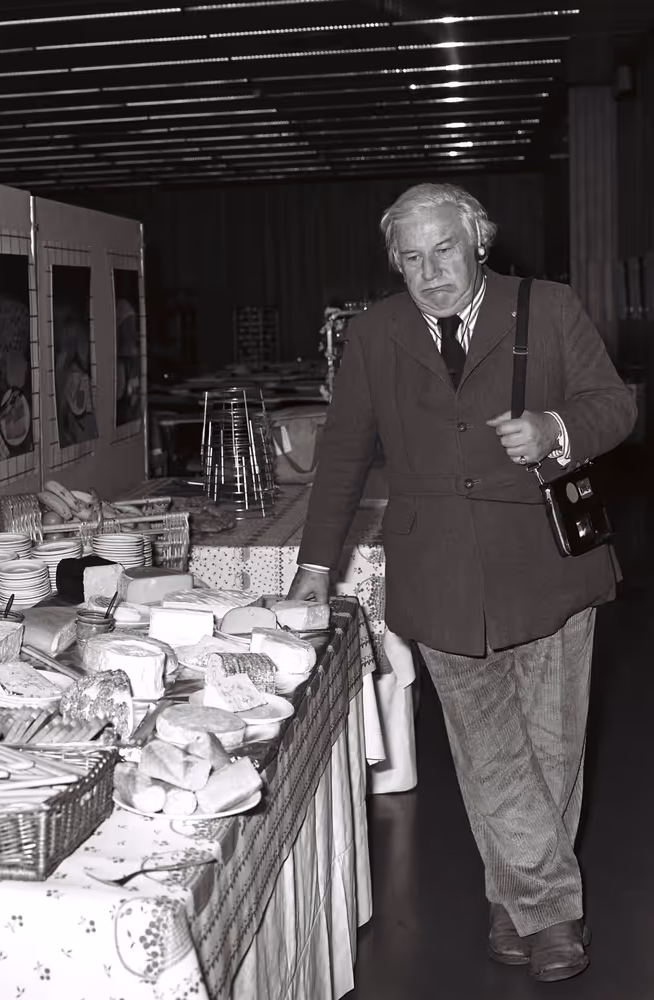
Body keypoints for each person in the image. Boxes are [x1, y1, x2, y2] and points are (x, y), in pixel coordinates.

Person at [288, 182, 637, 983]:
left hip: (548, 565)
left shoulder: (547, 308)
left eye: (444, 250)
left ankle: (509, 901)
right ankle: (551, 913)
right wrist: (315, 565)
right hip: (437, 569)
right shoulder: (374, 334)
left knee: (550, 750)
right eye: (411, 258)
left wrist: (557, 428)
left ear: (478, 241)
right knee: (487, 748)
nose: (430, 272)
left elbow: (615, 407)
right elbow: (342, 454)